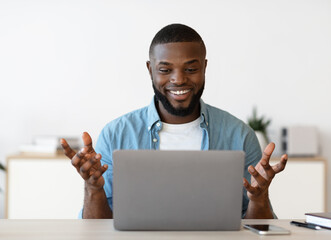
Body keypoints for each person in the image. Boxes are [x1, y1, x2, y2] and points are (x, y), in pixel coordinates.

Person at [61, 23, 288, 219]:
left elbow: (259, 231)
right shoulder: (115, 134)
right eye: (165, 69)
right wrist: (93, 189)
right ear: (150, 70)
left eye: (190, 69)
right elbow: (96, 232)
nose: (179, 79)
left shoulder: (239, 135)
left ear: (204, 68)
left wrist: (259, 199)